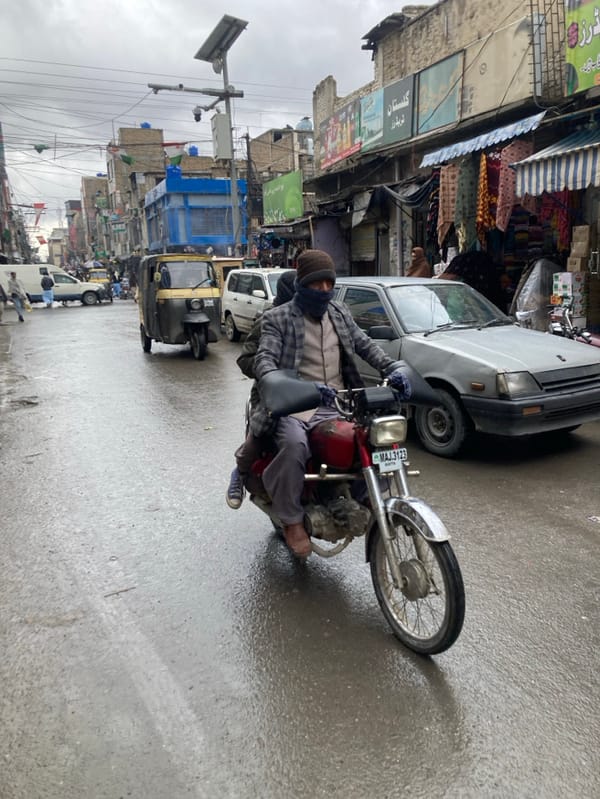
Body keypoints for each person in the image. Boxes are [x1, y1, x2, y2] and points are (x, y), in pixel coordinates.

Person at [247, 250, 411, 558]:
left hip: (337, 405)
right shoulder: (277, 318)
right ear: (302, 284)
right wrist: (280, 382)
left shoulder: (340, 313)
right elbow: (264, 358)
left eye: (328, 283)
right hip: (293, 406)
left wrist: (394, 369)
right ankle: (293, 520)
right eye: (316, 283)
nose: (323, 290)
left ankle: (362, 500)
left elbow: (365, 346)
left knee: (370, 440)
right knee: (295, 446)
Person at [226, 270, 297, 510]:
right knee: (264, 427)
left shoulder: (319, 317)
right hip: (272, 392)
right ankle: (240, 471)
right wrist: (271, 375)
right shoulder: (269, 318)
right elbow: (245, 358)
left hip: (314, 391)